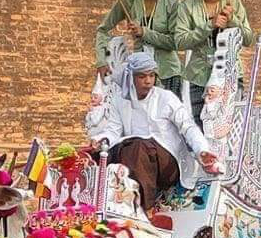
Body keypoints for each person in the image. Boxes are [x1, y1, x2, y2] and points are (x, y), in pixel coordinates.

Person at [88, 52, 220, 211]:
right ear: (131, 78)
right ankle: (91, 208)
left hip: (167, 162)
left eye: (151, 75)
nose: (148, 81)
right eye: (142, 76)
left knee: (138, 148)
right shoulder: (120, 100)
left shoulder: (166, 98)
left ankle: (142, 209)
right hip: (132, 153)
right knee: (94, 157)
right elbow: (113, 131)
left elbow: (188, 126)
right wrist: (102, 139)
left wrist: (202, 150)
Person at [175, 0, 255, 124]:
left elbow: (249, 39)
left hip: (230, 76)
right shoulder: (187, 6)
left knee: (228, 128)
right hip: (198, 76)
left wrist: (232, 20)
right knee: (201, 129)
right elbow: (180, 41)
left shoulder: (234, 3)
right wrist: (208, 26)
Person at [95, 0, 183, 98]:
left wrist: (144, 32)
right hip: (140, 74)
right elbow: (103, 30)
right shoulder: (128, 1)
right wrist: (101, 61)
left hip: (168, 73)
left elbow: (175, 42)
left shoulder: (173, 3)